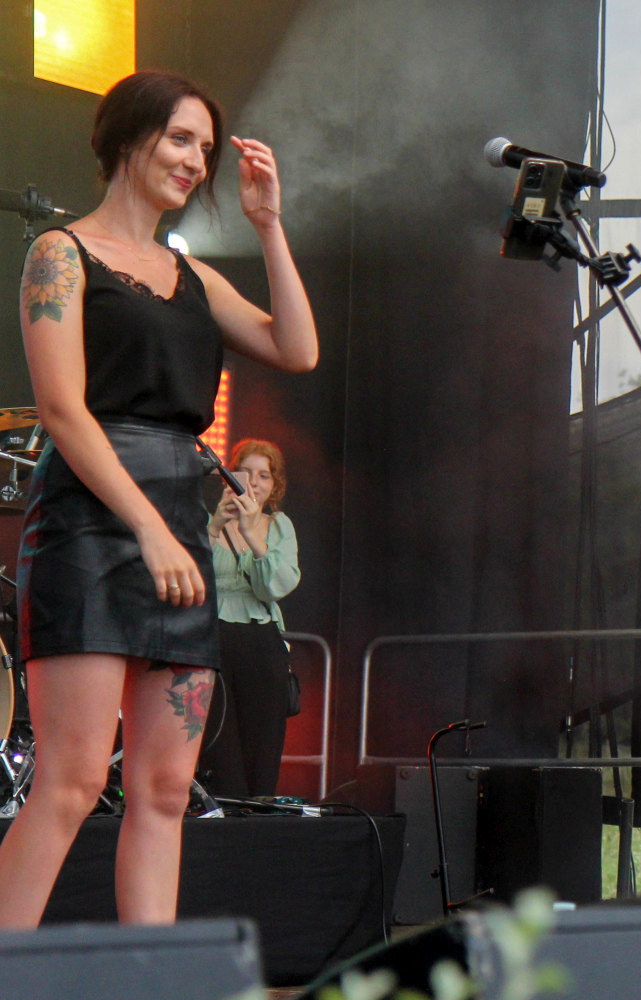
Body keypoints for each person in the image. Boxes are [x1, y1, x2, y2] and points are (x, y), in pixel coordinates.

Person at [0, 71, 317, 927]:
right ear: (127, 137)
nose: (196, 161)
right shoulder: (60, 254)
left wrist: (269, 225)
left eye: (206, 149)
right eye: (181, 139)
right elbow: (62, 409)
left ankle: (151, 975)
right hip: (92, 524)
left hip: (177, 520)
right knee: (71, 782)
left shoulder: (195, 278)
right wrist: (146, 529)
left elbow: (297, 349)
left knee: (167, 789)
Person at [198, 439, 300, 799]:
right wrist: (215, 526)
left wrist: (251, 533)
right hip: (211, 638)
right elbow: (189, 577)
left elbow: (277, 586)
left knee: (263, 746)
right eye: (245, 472)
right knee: (217, 746)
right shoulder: (207, 522)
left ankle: (258, 820)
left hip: (261, 639)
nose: (254, 482)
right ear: (230, 476)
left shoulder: (279, 526)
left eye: (264, 476)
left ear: (275, 486)